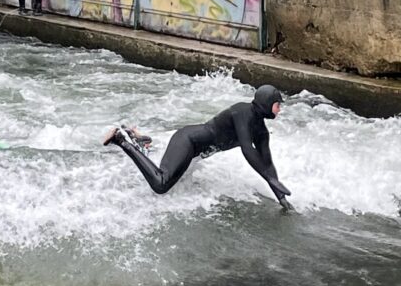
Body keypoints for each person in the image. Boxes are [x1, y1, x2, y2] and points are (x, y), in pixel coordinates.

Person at [103, 84, 292, 208]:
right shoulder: (242, 113)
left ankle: (140, 140)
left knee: (167, 173)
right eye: (277, 105)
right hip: (188, 140)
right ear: (266, 104)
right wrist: (270, 178)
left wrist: (281, 198)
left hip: (195, 152)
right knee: (161, 185)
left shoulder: (261, 131)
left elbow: (267, 162)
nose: (279, 110)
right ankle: (122, 140)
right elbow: (247, 149)